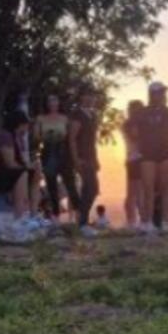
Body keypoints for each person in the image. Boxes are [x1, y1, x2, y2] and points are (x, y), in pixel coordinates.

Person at [132, 82, 168, 233]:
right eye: (161, 93)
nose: (164, 96)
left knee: (165, 189)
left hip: (166, 155)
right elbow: (130, 129)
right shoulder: (142, 113)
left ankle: (164, 221)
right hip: (147, 155)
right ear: (153, 95)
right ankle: (147, 222)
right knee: (148, 189)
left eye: (164, 93)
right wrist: (137, 146)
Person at [34, 94, 79, 223]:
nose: (52, 103)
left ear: (59, 103)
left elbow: (71, 137)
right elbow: (36, 136)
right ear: (46, 104)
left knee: (70, 183)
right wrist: (47, 136)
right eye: (49, 101)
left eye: (55, 100)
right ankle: (55, 216)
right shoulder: (40, 118)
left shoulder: (65, 118)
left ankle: (79, 216)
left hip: (63, 152)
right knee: (51, 185)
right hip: (48, 152)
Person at [0, 111, 30, 218]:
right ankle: (19, 214)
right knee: (22, 173)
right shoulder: (5, 136)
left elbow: (21, 160)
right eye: (25, 125)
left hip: (5, 173)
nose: (26, 129)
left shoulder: (18, 139)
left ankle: (32, 211)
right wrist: (27, 168)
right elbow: (10, 163)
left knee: (34, 173)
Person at [68, 86, 101, 235]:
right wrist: (75, 159)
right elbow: (72, 139)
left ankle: (82, 220)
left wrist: (97, 158)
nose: (90, 99)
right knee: (91, 188)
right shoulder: (77, 115)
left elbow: (93, 140)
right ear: (81, 98)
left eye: (92, 96)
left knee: (90, 189)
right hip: (82, 157)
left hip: (91, 156)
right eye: (87, 96)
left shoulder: (94, 115)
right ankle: (82, 223)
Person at [121, 100, 144, 228]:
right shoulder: (129, 124)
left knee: (138, 191)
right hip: (134, 159)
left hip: (136, 159)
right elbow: (135, 137)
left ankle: (138, 219)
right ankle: (131, 220)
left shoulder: (131, 123)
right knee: (133, 192)